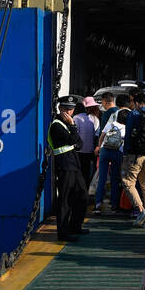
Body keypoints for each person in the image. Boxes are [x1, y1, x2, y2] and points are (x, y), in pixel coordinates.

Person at [49, 96, 88, 241]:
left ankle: (75, 225)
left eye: (71, 109)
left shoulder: (66, 124)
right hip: (65, 164)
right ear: (60, 109)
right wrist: (72, 125)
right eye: (67, 109)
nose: (69, 112)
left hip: (74, 164)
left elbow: (79, 143)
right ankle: (63, 232)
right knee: (65, 199)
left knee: (82, 195)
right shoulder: (57, 125)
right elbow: (74, 141)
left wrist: (72, 127)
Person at [121, 91, 145, 228]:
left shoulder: (134, 114)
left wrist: (126, 153)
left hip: (134, 155)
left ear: (137, 103)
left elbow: (128, 135)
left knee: (128, 182)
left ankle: (141, 211)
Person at [94, 96, 128, 214]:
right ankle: (114, 204)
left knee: (102, 179)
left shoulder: (111, 123)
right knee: (115, 178)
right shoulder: (126, 127)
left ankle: (97, 205)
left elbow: (102, 137)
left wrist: (100, 147)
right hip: (118, 153)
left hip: (104, 151)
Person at [73, 96, 100, 189]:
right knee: (86, 172)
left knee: (79, 173)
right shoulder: (90, 119)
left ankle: (80, 191)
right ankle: (86, 190)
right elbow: (94, 135)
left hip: (80, 151)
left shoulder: (76, 118)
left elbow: (75, 135)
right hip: (90, 150)